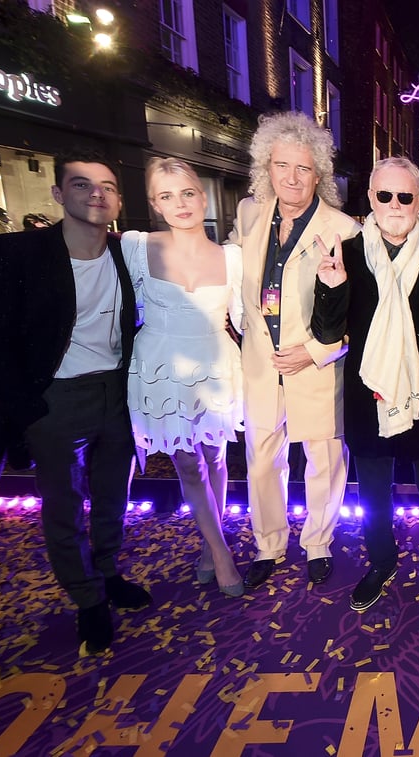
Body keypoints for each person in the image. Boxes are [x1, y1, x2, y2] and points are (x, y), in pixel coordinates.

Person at [0, 147, 151, 654]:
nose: (96, 194)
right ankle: (87, 600)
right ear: (58, 193)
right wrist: (28, 408)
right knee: (63, 505)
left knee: (114, 496)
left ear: (118, 200)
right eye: (81, 184)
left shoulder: (125, 252)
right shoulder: (17, 252)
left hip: (115, 392)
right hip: (53, 398)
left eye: (107, 186)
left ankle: (108, 572)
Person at [312, 157, 419, 612]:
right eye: (385, 195)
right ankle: (382, 562)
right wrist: (331, 288)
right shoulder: (345, 254)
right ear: (370, 200)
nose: (395, 204)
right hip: (370, 397)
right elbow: (327, 334)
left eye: (405, 196)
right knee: (372, 493)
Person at [229, 111, 360, 590]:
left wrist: (315, 351)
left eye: (303, 168)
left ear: (319, 174)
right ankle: (268, 544)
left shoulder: (344, 229)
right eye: (281, 165)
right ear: (266, 167)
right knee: (262, 461)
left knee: (324, 460)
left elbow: (355, 316)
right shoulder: (248, 216)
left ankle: (318, 543)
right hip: (262, 364)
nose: (291, 177)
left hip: (315, 365)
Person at [122, 157, 245, 597]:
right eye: (167, 196)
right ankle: (222, 554)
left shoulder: (232, 258)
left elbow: (247, 322)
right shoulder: (137, 247)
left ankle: (210, 548)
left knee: (214, 459)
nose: (181, 204)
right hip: (162, 367)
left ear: (203, 194)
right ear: (155, 204)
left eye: (187, 193)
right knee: (187, 465)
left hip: (214, 366)